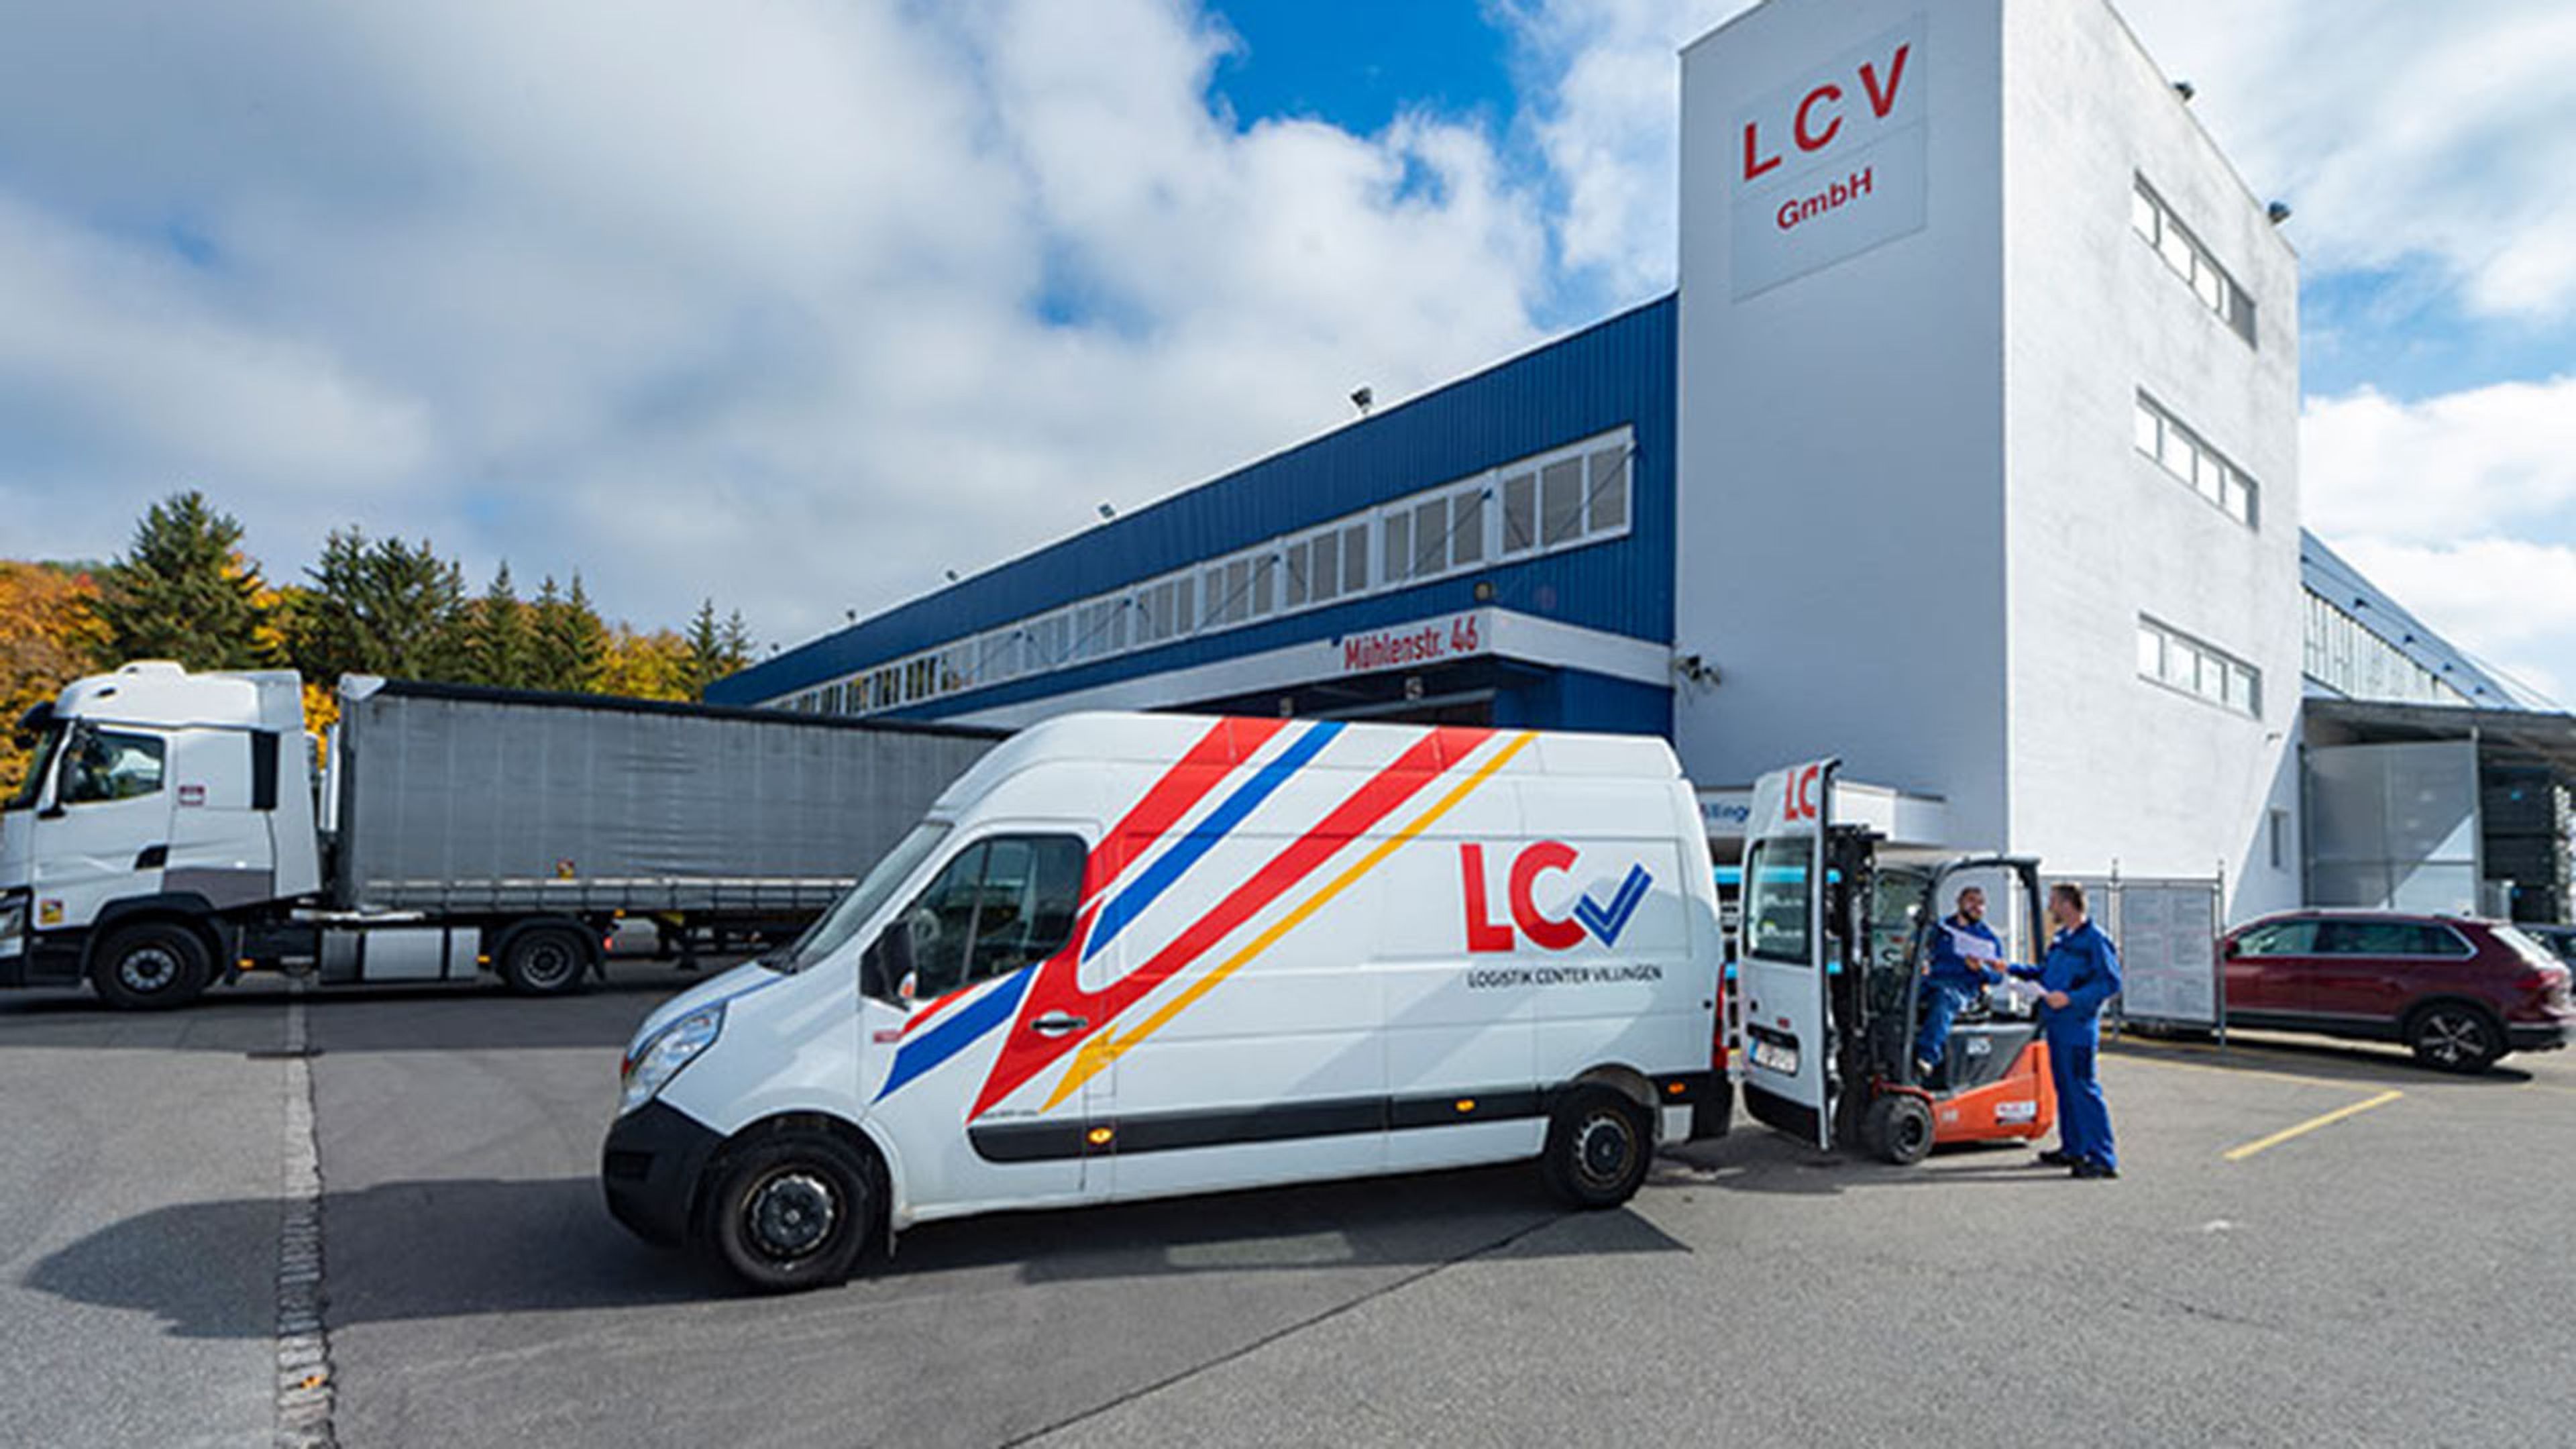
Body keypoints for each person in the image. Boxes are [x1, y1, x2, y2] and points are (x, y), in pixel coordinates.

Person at [2008, 882, 2123, 1179]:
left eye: (2054, 902)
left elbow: (2110, 983)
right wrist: (2009, 969)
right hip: (2057, 1026)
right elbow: (2045, 973)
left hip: (2078, 1028)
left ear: (2069, 904)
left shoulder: (2094, 940)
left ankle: (2102, 1157)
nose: (2050, 908)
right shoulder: (2062, 938)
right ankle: (2074, 1148)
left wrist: (2071, 998)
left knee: (2083, 1089)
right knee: (2065, 1089)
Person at [1915, 885, 2004, 1086]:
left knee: (1945, 999)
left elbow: (1998, 977)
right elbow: (1917, 947)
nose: (1978, 907)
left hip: (1963, 988)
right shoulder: (1941, 929)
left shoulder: (1986, 938)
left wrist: (1979, 969)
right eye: (1972, 901)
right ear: (1960, 902)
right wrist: (1918, 960)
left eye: (1981, 903)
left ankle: (1927, 1057)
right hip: (1932, 980)